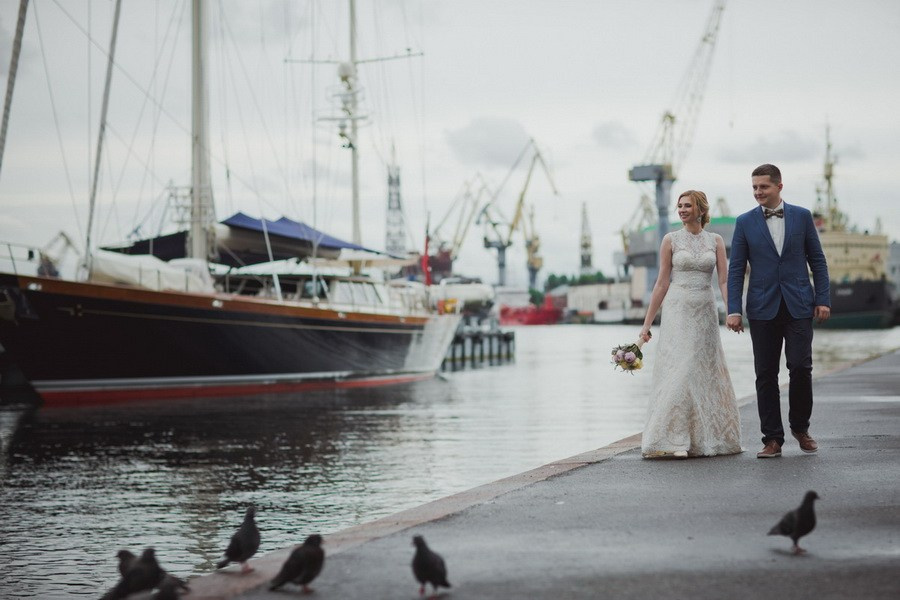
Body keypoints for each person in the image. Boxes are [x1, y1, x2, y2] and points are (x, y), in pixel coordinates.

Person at [726, 164, 830, 459]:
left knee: (800, 367)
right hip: (761, 307)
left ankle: (800, 427)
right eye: (755, 187)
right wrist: (734, 309)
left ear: (779, 186)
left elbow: (818, 261)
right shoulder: (744, 222)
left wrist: (823, 298)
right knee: (765, 374)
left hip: (799, 304)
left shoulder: (802, 216)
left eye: (763, 187)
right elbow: (736, 270)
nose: (758, 192)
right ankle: (772, 438)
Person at [638, 190, 742, 459]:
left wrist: (733, 311)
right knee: (681, 370)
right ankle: (669, 436)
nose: (682, 210)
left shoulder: (716, 241)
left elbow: (722, 281)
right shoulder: (670, 240)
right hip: (678, 310)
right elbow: (661, 283)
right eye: (680, 206)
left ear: (701, 210)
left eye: (688, 206)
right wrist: (646, 325)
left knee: (702, 371)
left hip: (706, 310)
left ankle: (704, 439)